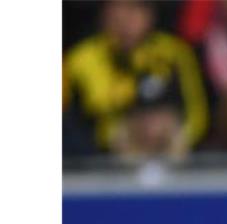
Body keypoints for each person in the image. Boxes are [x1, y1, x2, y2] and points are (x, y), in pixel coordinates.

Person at [63, 0, 209, 155]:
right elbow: (76, 117)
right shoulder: (80, 59)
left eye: (136, 8)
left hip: (172, 147)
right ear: (104, 13)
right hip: (107, 152)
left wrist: (182, 134)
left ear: (150, 14)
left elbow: (197, 113)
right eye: (118, 8)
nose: (126, 18)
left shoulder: (175, 52)